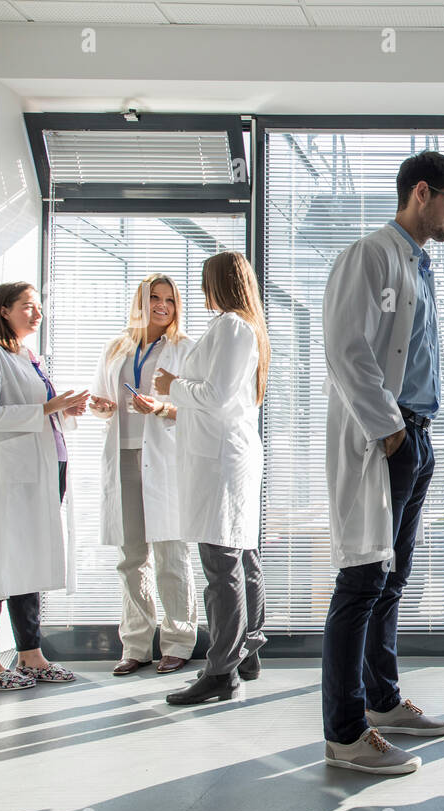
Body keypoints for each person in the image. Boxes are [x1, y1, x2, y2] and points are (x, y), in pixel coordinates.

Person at [321, 150, 444, 774]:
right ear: (420, 192)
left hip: (417, 433)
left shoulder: (419, 264)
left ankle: (381, 701)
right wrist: (389, 433)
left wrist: (411, 436)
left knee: (391, 582)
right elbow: (344, 347)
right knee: (361, 580)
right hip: (386, 436)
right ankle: (345, 731)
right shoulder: (370, 255)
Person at [0, 282, 88, 689]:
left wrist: (67, 410)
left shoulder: (29, 357)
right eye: (28, 306)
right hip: (10, 477)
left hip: (45, 472)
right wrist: (50, 406)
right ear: (3, 310)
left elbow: (38, 414)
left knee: (27, 564)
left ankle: (31, 654)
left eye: (40, 306)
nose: (38, 313)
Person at [154, 251, 270, 706]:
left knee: (221, 563)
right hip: (227, 453)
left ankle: (221, 672)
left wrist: (171, 387)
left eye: (205, 282)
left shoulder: (231, 327)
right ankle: (247, 652)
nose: (201, 292)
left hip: (220, 460)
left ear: (218, 284)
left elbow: (216, 395)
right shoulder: (244, 328)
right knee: (242, 554)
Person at [88, 275, 198, 676]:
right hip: (123, 456)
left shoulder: (185, 348)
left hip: (165, 458)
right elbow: (102, 399)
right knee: (132, 556)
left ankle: (179, 641)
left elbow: (199, 409)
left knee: (171, 551)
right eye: (154, 297)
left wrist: (161, 408)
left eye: (169, 299)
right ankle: (135, 645)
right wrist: (101, 407)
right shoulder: (117, 347)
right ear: (140, 300)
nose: (162, 306)